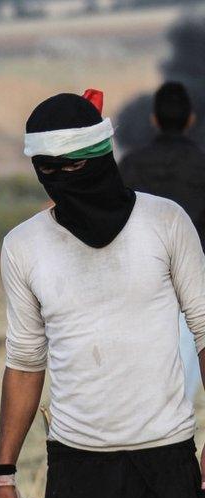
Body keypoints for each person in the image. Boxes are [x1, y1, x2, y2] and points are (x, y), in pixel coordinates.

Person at [0, 89, 205, 498]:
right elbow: (25, 362)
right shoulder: (24, 245)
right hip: (76, 471)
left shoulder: (166, 222)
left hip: (165, 463)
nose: (65, 180)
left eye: (76, 167)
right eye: (51, 171)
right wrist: (2, 475)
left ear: (103, 153)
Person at [119, 81, 205, 402]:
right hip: (195, 268)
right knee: (190, 343)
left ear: (154, 118)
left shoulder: (130, 164)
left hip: (140, 269)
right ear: (190, 119)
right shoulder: (201, 163)